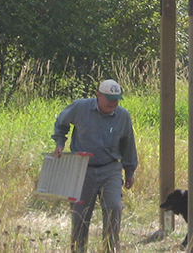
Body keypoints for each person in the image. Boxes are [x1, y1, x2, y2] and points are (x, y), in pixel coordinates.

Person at [53, 79, 138, 253]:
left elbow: (128, 144)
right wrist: (60, 142)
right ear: (98, 95)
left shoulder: (123, 116)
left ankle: (110, 248)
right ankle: (79, 250)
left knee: (114, 207)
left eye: (116, 100)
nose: (113, 103)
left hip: (110, 168)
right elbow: (61, 122)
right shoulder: (80, 107)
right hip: (82, 169)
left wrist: (129, 171)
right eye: (109, 99)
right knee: (80, 214)